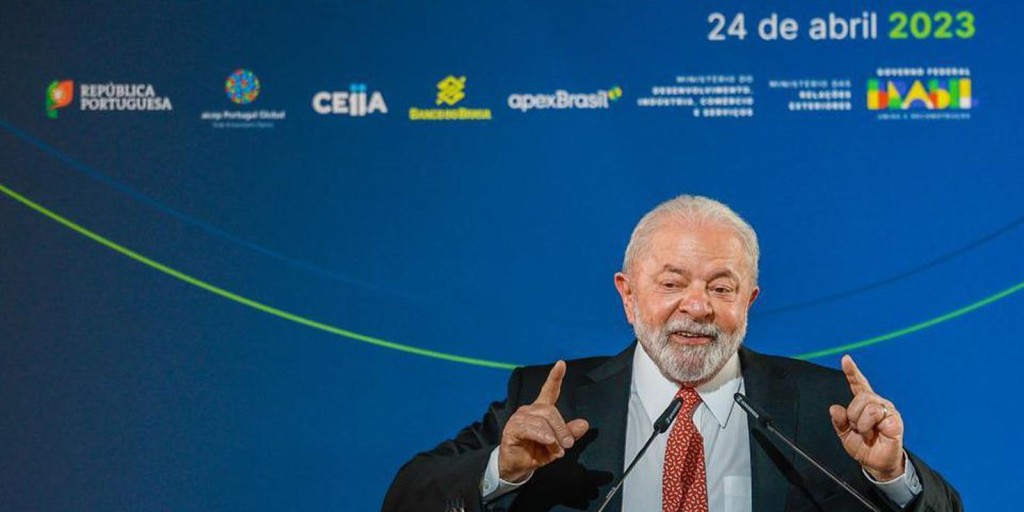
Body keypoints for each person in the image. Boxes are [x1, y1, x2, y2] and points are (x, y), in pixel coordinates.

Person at [383, 195, 961, 512]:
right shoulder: (550, 401)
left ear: (749, 301)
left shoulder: (824, 407)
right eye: (671, 283)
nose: (698, 306)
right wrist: (502, 471)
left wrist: (891, 475)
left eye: (721, 287)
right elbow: (406, 496)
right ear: (628, 295)